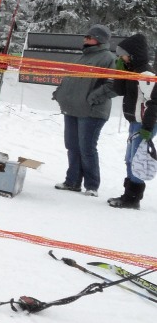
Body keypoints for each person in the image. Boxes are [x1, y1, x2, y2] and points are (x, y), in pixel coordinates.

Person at [52, 24, 117, 197]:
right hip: (73, 108)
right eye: (85, 36)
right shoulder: (80, 57)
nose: (85, 39)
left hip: (91, 111)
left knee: (86, 148)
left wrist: (93, 98)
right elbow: (70, 79)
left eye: (89, 37)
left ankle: (92, 185)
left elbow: (113, 85)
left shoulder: (108, 58)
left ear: (100, 39)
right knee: (72, 146)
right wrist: (60, 93)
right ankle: (72, 181)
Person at [107, 34, 154, 209]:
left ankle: (132, 199)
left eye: (123, 55)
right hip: (135, 122)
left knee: (136, 160)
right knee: (129, 159)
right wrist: (120, 72)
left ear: (133, 54)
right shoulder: (132, 71)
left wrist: (148, 127)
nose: (121, 57)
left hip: (144, 123)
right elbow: (119, 91)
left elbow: (154, 103)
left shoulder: (145, 74)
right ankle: (128, 194)